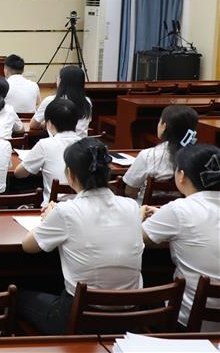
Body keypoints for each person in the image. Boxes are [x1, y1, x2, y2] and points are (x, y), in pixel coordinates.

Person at [19, 138, 144, 335]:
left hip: (79, 319)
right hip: (129, 319)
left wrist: (49, 218)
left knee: (18, 296)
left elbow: (28, 246)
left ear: (70, 174)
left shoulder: (66, 211)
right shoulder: (131, 206)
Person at [142, 144, 220, 331]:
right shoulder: (178, 211)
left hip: (190, 322)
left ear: (181, 175)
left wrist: (139, 215)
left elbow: (136, 239)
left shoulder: (179, 209)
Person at [14, 99, 82, 205]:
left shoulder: (44, 145)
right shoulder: (88, 144)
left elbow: (19, 174)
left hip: (53, 207)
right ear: (76, 121)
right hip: (82, 205)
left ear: (49, 123)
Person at [123, 105, 199, 198]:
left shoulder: (147, 155)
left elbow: (130, 191)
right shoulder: (199, 157)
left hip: (148, 206)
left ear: (164, 126)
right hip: (186, 206)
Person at [30, 65, 91, 137]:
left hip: (59, 143)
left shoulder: (51, 101)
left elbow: (33, 125)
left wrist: (46, 125)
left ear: (61, 81)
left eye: (58, 77)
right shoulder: (87, 101)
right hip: (82, 143)